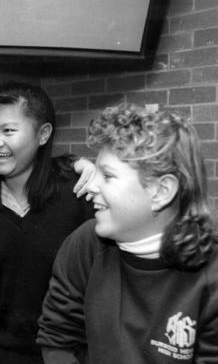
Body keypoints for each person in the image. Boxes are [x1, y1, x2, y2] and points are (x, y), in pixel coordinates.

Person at [37, 104, 218, 363]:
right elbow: (57, 338)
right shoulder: (85, 244)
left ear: (161, 191)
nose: (92, 186)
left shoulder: (211, 276)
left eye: (108, 176)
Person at [0, 81, 95, 364]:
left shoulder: (79, 191)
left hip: (77, 351)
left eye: (8, 130)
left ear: (43, 134)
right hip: (9, 349)